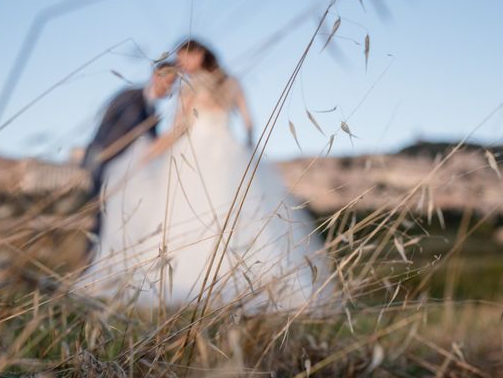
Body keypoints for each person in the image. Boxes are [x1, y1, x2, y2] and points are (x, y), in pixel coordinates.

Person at [84, 39, 332, 312]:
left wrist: (148, 154)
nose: (182, 66)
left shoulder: (191, 87)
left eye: (185, 59)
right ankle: (257, 282)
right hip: (230, 152)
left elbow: (179, 128)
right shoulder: (232, 82)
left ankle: (190, 284)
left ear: (200, 54)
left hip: (195, 155)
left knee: (188, 215)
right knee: (241, 217)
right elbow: (249, 123)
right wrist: (245, 150)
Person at [78, 62, 177, 293]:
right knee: (98, 219)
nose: (168, 88)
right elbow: (107, 130)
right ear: (155, 76)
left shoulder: (153, 111)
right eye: (167, 81)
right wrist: (98, 160)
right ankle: (90, 270)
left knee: (111, 219)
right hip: (108, 162)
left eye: (173, 83)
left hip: (131, 170)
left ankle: (107, 272)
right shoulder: (130, 96)